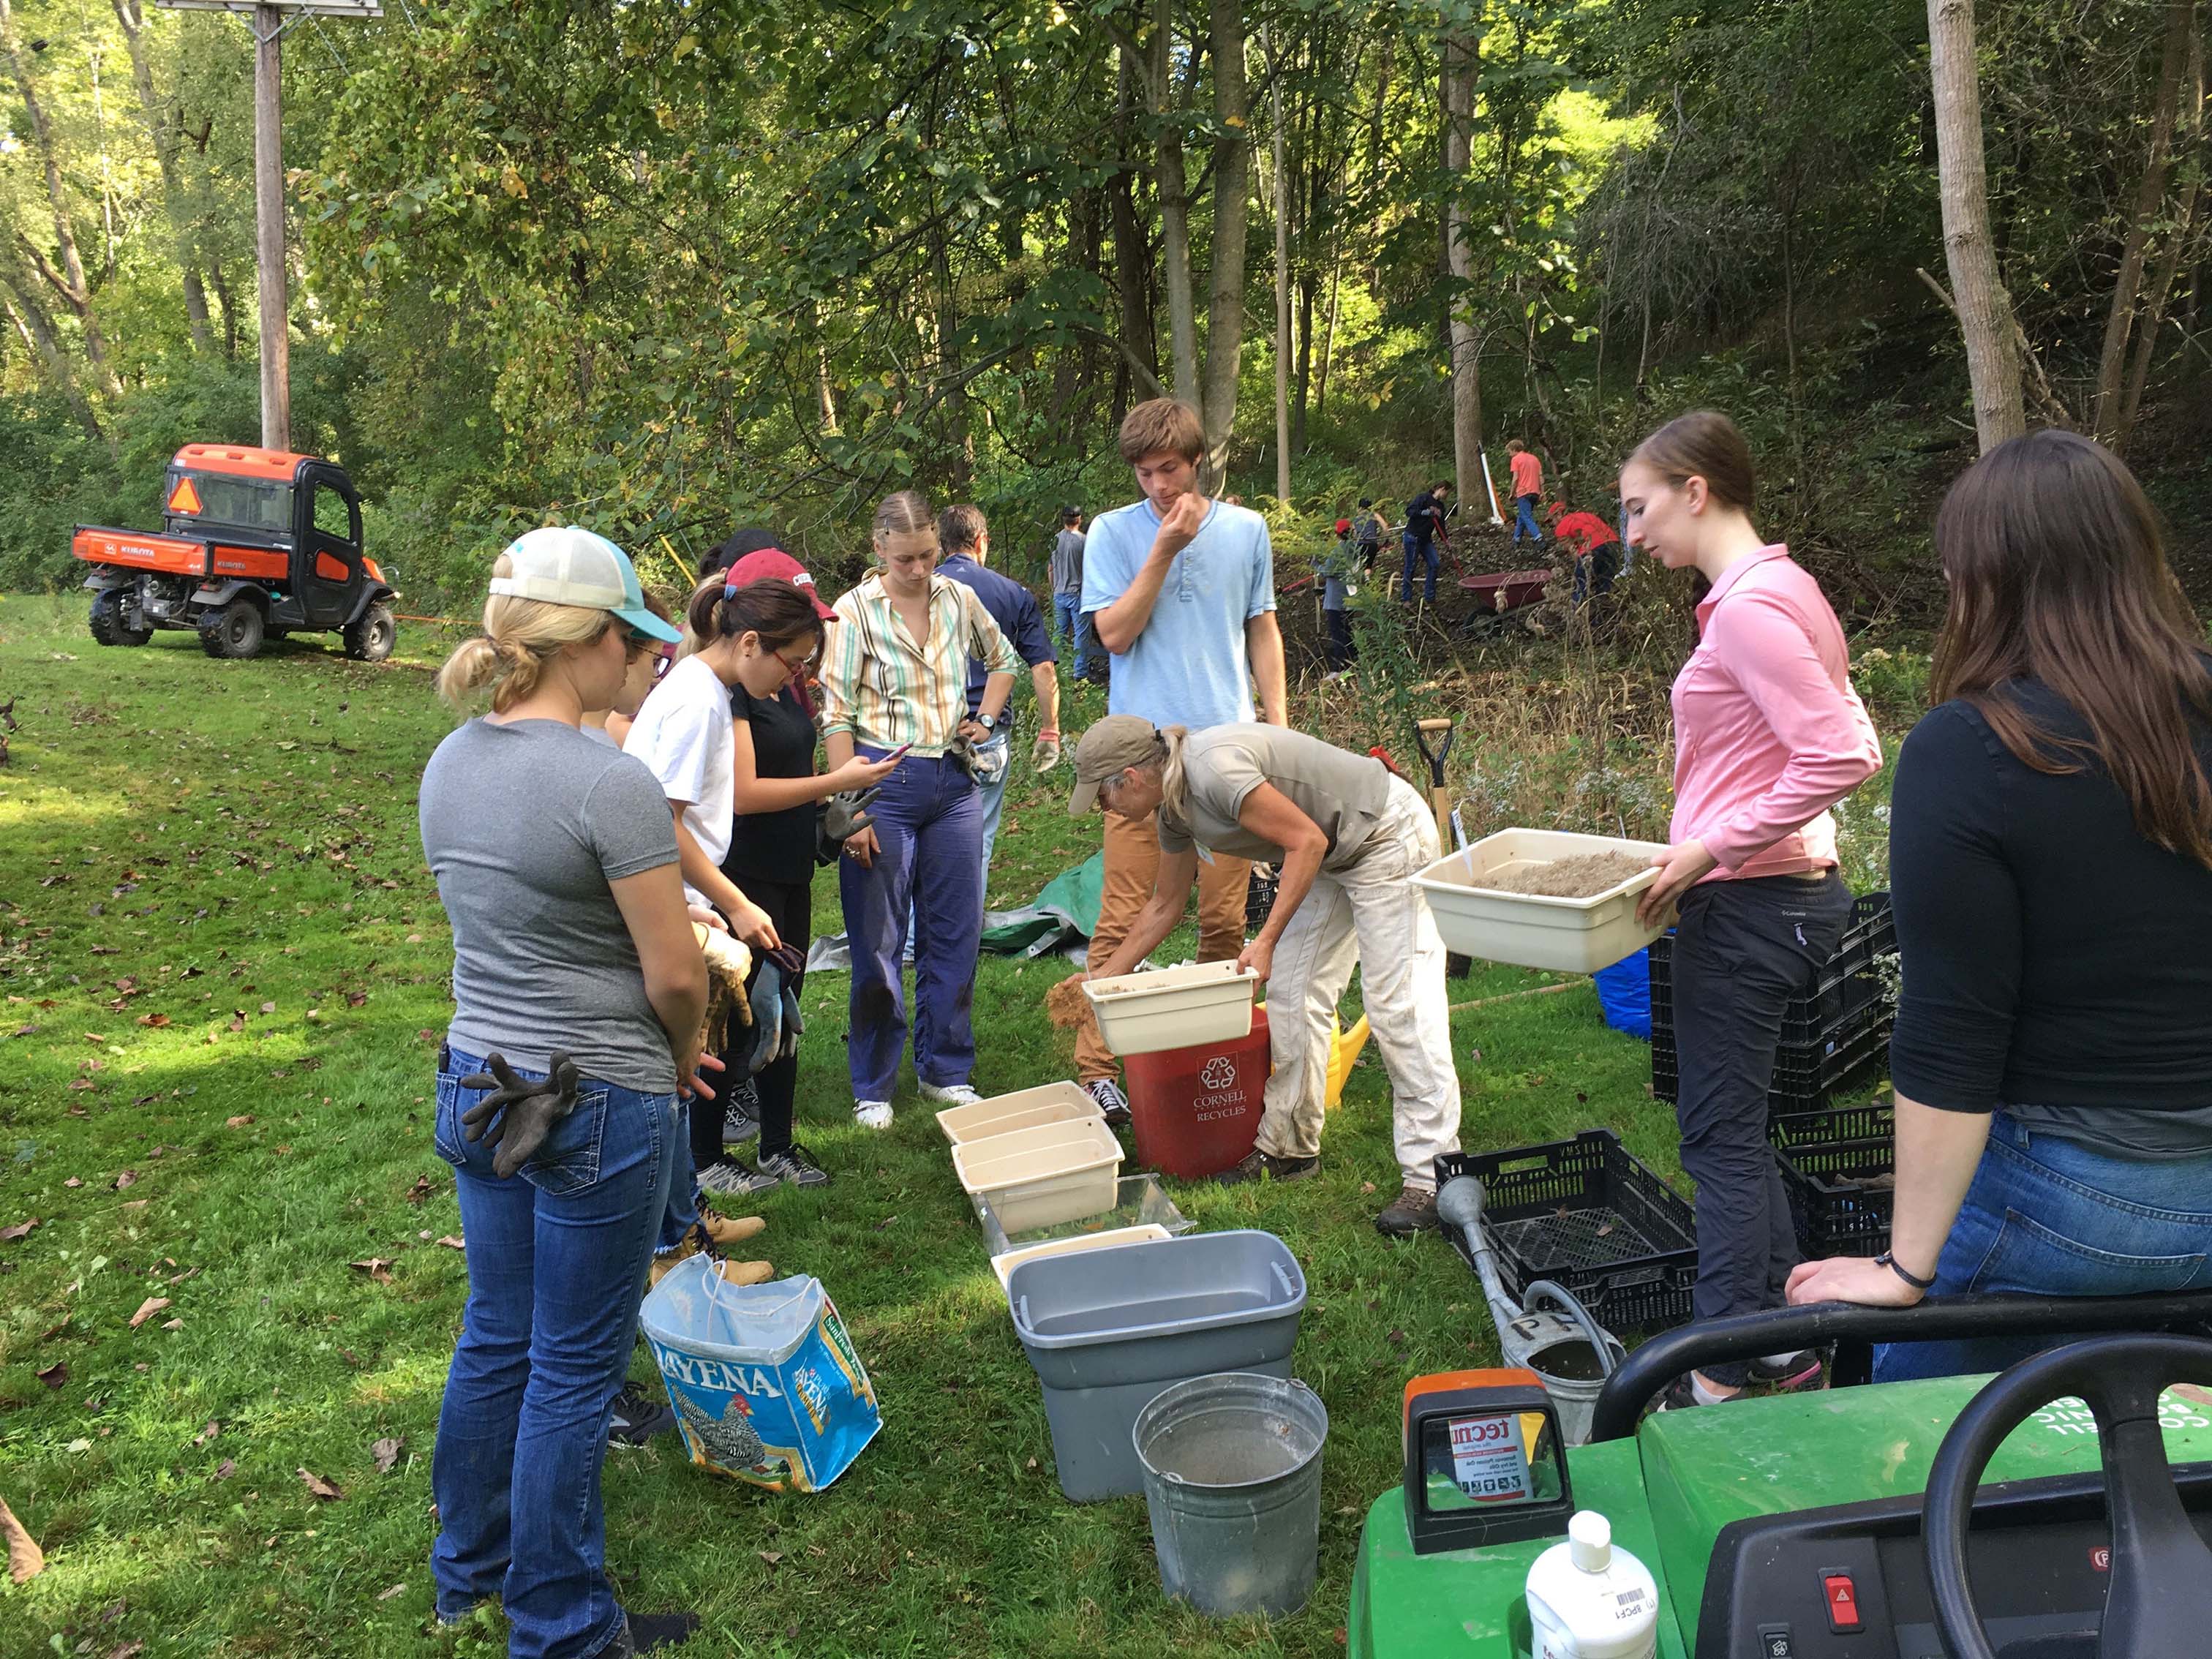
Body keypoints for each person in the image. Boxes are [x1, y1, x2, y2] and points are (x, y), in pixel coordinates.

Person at [1788, 432, 2212, 1379]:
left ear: (1985, 580)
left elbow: (1951, 1030)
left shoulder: (1970, 747)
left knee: (1905, 1434)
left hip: (2076, 1203)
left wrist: (1904, 1268)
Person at [419, 525, 706, 1654]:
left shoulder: (451, 760)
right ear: (589, 638)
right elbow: (674, 972)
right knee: (577, 1368)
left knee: (496, 1332)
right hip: (597, 1097)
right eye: (632, 636)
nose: (637, 657)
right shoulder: (611, 782)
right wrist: (682, 1062)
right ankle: (562, 1628)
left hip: (476, 1080)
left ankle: (468, 1573)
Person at [1622, 410, 1883, 1410]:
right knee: (1739, 1124)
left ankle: (1723, 1371)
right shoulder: (1782, 589)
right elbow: (1843, 717)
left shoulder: (1749, 609)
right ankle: (1784, 1340)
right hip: (1782, 893)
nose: (1635, 532)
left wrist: (1712, 845)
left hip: (1756, 904)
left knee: (1719, 1139)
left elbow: (1845, 752)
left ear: (1696, 490)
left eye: (1642, 507)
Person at [1073, 717, 1461, 1234]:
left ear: (1131, 778)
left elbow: (1303, 842)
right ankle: (1288, 1149)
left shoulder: (1213, 771)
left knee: (1399, 1009)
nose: (1104, 810)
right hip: (1333, 850)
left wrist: (1267, 939)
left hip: (1385, 832)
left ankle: (1434, 1176)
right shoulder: (1174, 809)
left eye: (1102, 797)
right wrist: (1101, 979)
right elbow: (1164, 906)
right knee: (1292, 996)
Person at [1076, 397, 1287, 1123]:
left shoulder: (1247, 531)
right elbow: (1115, 634)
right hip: (1139, 755)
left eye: (1169, 469)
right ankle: (1097, 1070)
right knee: (1125, 912)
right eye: (1143, 473)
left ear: (1199, 462)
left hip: (1227, 752)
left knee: (1225, 923)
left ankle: (1208, 1053)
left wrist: (1279, 728)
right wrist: (1162, 548)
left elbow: (1262, 629)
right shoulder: (1111, 534)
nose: (1158, 486)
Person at [688, 568, 899, 1195]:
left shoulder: (782, 688)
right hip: (741, 876)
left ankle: (777, 1144)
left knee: (786, 1013)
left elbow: (789, 775)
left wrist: (824, 826)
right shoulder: (733, 692)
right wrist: (833, 782)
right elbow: (746, 795)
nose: (802, 670)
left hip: (790, 872)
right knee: (738, 1015)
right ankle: (709, 1156)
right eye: (797, 656)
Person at [821, 489, 1023, 1129]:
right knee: (879, 940)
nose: (918, 569)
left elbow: (1006, 659)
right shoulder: (852, 611)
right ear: (879, 549)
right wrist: (848, 809)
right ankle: (873, 1084)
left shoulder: (959, 598)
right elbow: (836, 715)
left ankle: (946, 1070)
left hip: (954, 782)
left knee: (955, 932)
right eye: (905, 558)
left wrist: (986, 719)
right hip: (882, 780)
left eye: (928, 556)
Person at [937, 503, 1064, 895]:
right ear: (981, 541)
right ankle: (963, 930)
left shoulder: (918, 588)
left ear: (941, 545)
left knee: (925, 832)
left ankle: (912, 938)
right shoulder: (1013, 594)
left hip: (929, 726)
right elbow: (1042, 669)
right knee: (978, 835)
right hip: (986, 732)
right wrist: (1050, 729)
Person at [1050, 505, 1093, 681]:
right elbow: (1091, 569)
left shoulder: (1054, 540)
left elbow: (1050, 569)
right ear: (1079, 519)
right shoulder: (1084, 541)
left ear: (1063, 520)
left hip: (1059, 592)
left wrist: (1054, 588)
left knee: (1059, 634)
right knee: (1081, 634)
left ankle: (1054, 669)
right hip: (1078, 594)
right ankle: (1080, 673)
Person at [1320, 518, 1361, 675]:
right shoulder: (1355, 548)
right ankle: (1353, 665)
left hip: (1335, 600)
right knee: (1348, 633)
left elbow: (1328, 571)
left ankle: (1337, 670)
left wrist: (1315, 564)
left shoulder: (1339, 550)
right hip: (1350, 597)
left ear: (1337, 534)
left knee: (1337, 634)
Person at [1401, 481, 1452, 603]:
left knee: (1434, 564)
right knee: (1411, 567)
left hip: (1426, 540)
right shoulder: (1423, 498)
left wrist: (1446, 540)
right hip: (1413, 537)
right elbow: (1409, 511)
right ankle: (1406, 598)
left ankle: (1429, 597)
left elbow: (1441, 526)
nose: (1447, 496)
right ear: (1441, 489)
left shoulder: (1441, 507)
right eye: (1447, 492)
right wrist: (1423, 513)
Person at [1506, 440, 1546, 547]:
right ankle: (1517, 539)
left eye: (1510, 452)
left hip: (1523, 492)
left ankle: (1539, 538)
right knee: (1522, 515)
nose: (1510, 455)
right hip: (1535, 492)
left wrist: (1512, 493)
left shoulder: (1516, 459)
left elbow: (1516, 478)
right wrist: (1543, 492)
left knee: (1526, 517)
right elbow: (1540, 477)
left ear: (1514, 450)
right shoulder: (1534, 459)